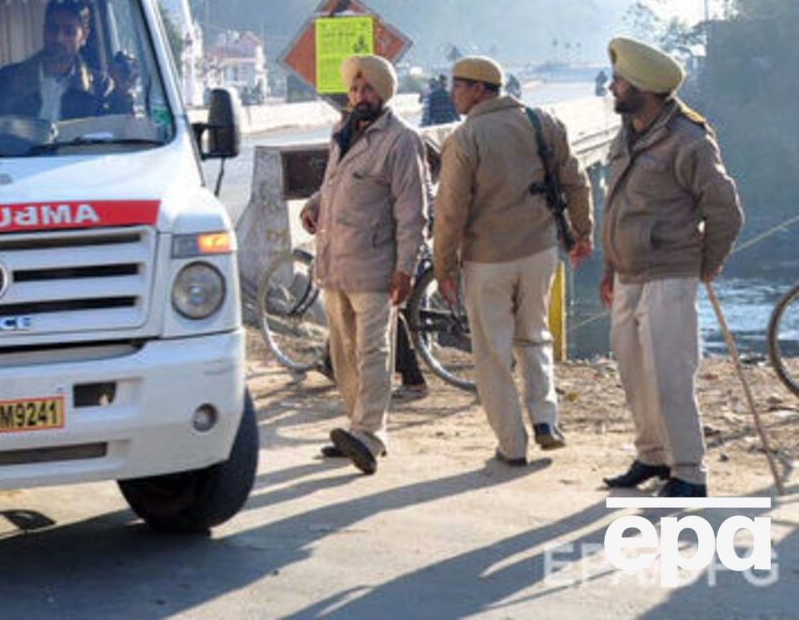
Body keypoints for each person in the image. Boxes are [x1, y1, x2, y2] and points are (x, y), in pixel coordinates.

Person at [600, 37, 743, 499]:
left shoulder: (690, 140)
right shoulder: (627, 134)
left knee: (669, 377)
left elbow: (724, 212)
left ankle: (689, 471)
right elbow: (618, 204)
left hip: (669, 273)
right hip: (627, 273)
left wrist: (704, 266)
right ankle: (652, 456)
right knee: (633, 372)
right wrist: (608, 265)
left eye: (620, 82)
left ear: (645, 88)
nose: (613, 87)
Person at [432, 55, 593, 466]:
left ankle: (511, 445)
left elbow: (450, 212)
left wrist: (444, 266)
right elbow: (575, 179)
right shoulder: (543, 122)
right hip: (540, 251)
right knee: (534, 336)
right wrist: (582, 232)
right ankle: (545, 419)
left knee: (492, 353)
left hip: (488, 260)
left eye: (458, 85)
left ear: (479, 89)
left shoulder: (464, 138)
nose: (452, 93)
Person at [299, 55, 428, 475]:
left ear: (384, 93)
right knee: (344, 352)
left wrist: (405, 267)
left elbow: (413, 211)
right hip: (336, 262)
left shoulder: (402, 140)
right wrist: (315, 206)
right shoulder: (342, 132)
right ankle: (359, 427)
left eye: (368, 89)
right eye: (355, 90)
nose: (360, 96)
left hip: (376, 266)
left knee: (373, 351)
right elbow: (332, 185)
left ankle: (369, 434)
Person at [0, 0, 122, 121]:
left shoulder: (101, 87)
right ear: (44, 31)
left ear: (84, 36)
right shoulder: (4, 81)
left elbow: (119, 133)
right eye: (52, 29)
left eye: (69, 31)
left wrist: (124, 93)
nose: (59, 38)